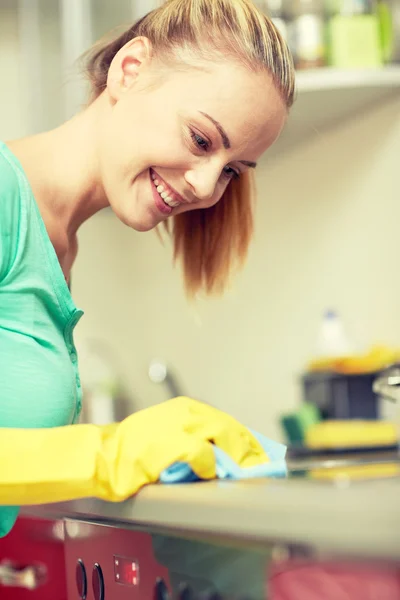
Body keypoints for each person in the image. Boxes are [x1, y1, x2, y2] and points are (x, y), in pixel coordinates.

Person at [0, 0, 295, 538]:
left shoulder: (58, 244)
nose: (206, 188)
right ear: (129, 70)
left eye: (231, 169)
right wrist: (110, 452)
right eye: (201, 140)